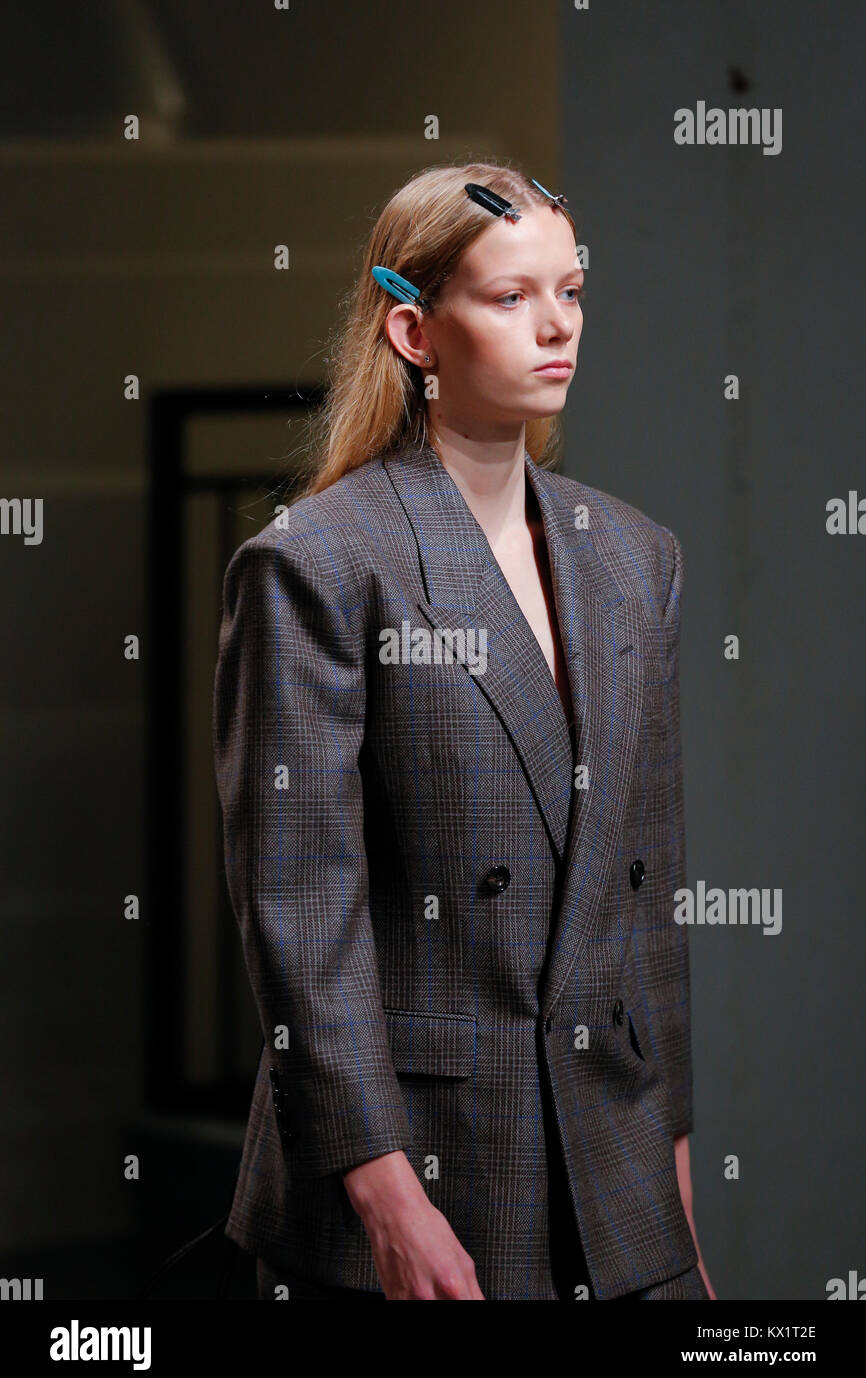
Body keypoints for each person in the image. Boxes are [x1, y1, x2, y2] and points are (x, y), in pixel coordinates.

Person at [212, 161, 715, 1301]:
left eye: (572, 291)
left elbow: (651, 898)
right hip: (418, 1164)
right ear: (412, 331)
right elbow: (299, 914)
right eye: (508, 297)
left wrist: (670, 1178)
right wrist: (384, 1191)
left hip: (611, 1162)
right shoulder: (319, 566)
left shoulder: (637, 560)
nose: (556, 327)